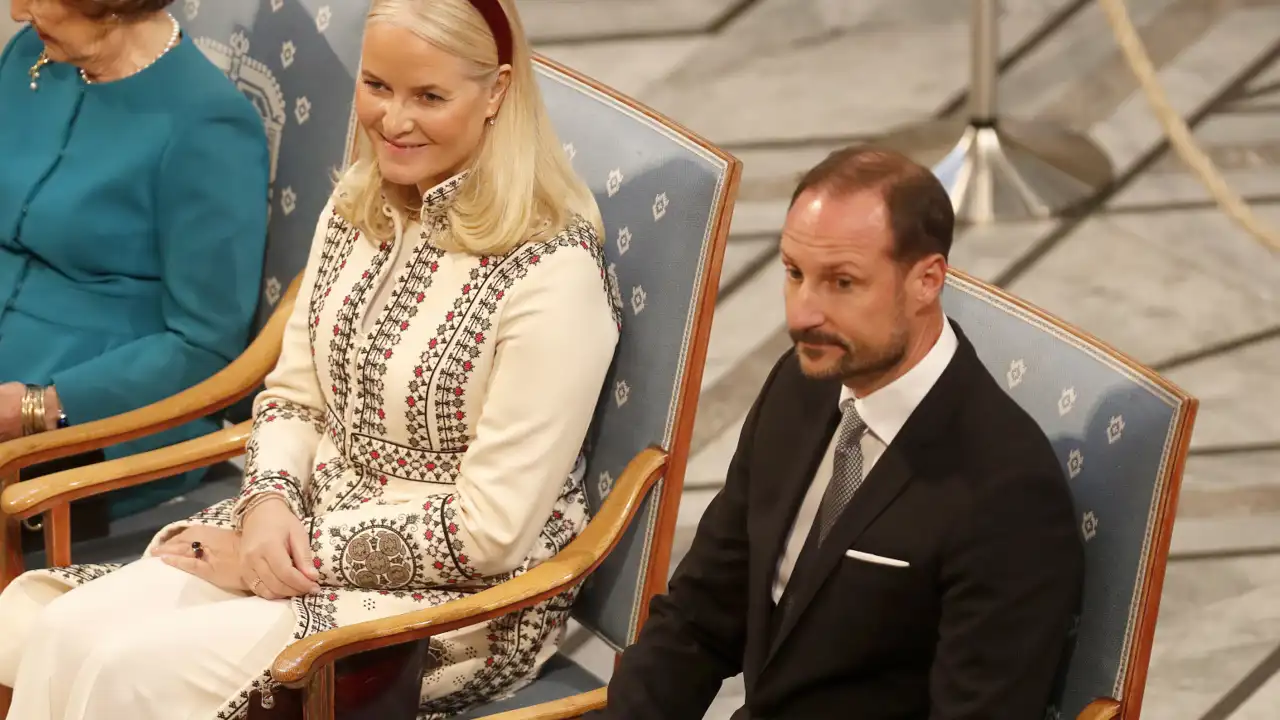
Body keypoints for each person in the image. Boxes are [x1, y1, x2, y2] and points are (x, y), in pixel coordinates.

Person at [0, 0, 620, 718]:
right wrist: (266, 505)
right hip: (290, 529)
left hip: (453, 605)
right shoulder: (356, 206)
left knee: (120, 669)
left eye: (429, 96)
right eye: (378, 86)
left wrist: (280, 553)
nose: (393, 120)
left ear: (497, 93)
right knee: (44, 622)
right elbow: (293, 397)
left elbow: (490, 530)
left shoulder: (554, 273)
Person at [593, 147, 1084, 720]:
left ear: (927, 280)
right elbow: (702, 613)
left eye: (842, 282)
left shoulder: (1007, 491)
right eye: (795, 273)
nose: (802, 314)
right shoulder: (800, 387)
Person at [0, 0, 269, 541]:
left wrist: (39, 406)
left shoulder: (207, 123)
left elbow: (205, 342)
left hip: (96, 406)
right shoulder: (31, 53)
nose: (18, 11)